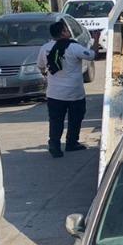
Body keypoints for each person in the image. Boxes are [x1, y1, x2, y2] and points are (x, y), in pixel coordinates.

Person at [36, 19, 98, 158]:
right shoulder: (73, 47)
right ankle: (71, 143)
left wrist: (48, 75)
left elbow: (41, 67)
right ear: (63, 32)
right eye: (66, 29)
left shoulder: (45, 48)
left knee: (55, 120)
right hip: (74, 93)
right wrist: (96, 39)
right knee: (75, 118)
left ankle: (55, 146)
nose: (69, 31)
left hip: (54, 93)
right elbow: (93, 55)